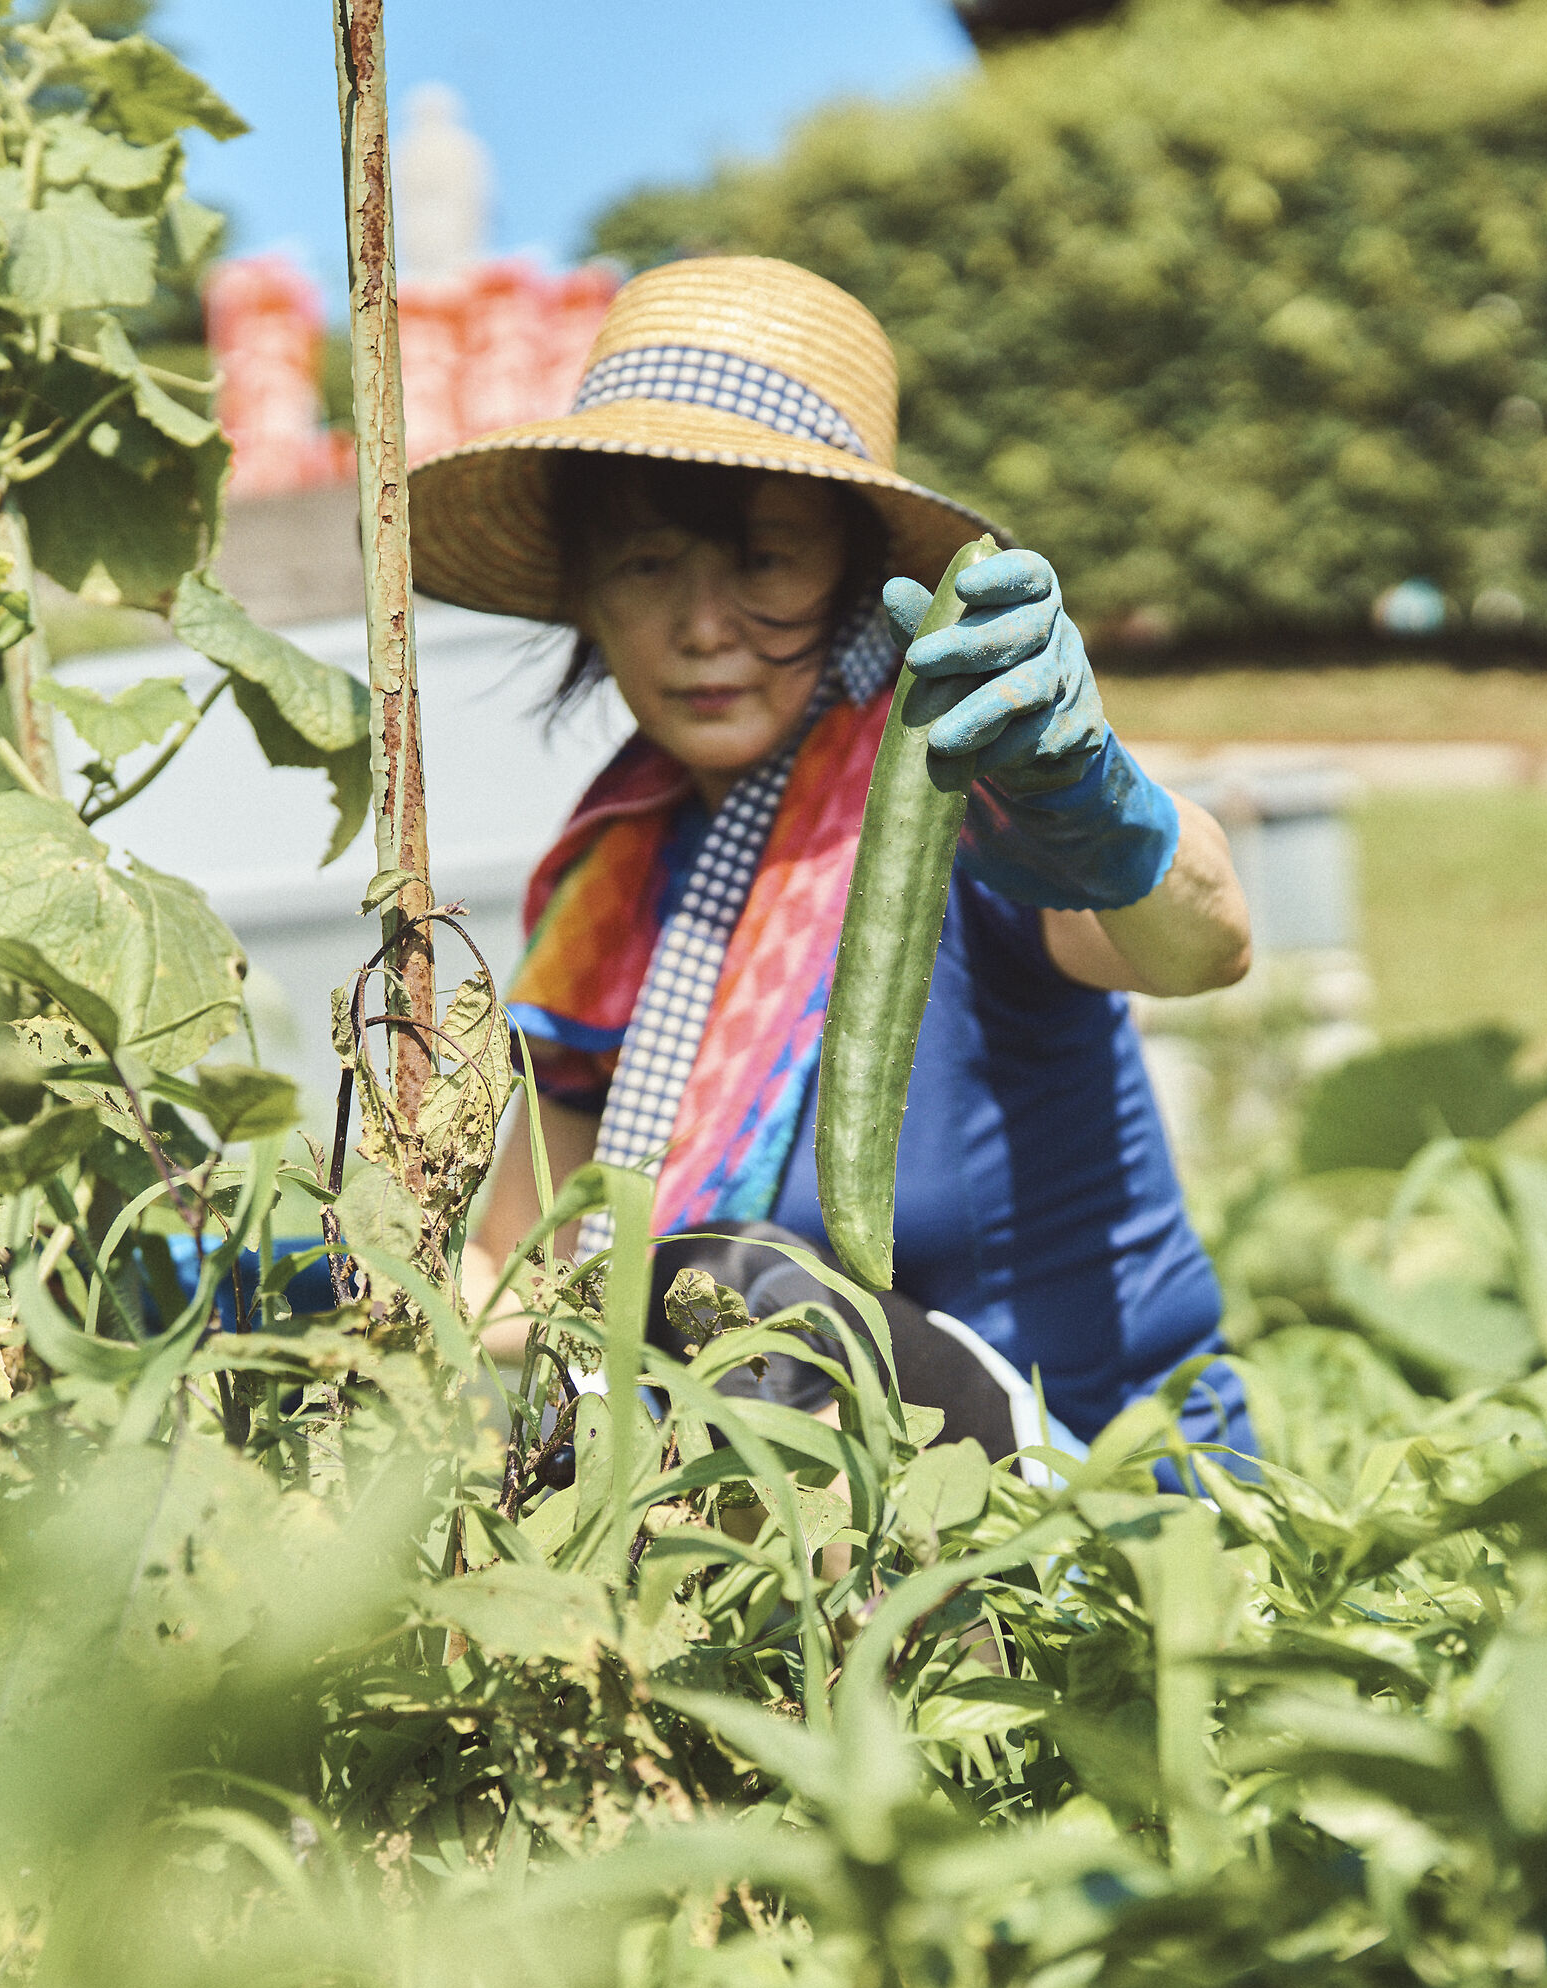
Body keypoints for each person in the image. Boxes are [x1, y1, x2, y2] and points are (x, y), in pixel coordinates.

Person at [405, 256, 1256, 1464]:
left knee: (727, 1281)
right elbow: (535, 1273)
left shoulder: (964, 794)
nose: (703, 624)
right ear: (587, 596)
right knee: (642, 1333)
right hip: (807, 1523)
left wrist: (1110, 812)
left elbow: (1201, 945)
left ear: (856, 572)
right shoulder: (615, 885)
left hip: (1111, 1500)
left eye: (763, 560)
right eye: (649, 564)